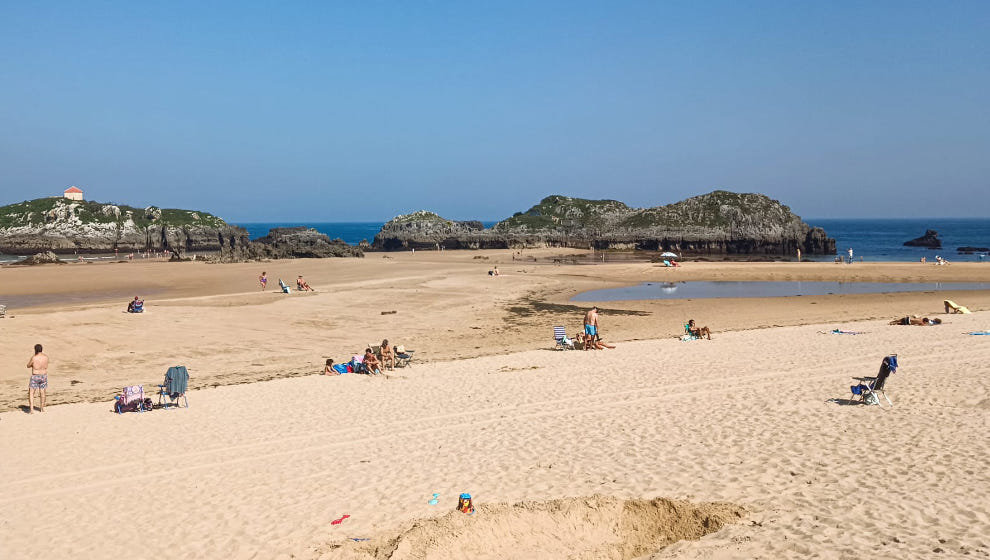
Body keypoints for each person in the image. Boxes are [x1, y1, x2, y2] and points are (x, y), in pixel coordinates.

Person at [27, 344, 48, 413]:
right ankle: (42, 408)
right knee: (42, 392)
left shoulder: (34, 358)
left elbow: (28, 365)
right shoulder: (46, 357)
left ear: (35, 350)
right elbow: (46, 365)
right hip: (43, 376)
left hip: (35, 376)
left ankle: (32, 410)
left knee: (31, 393)